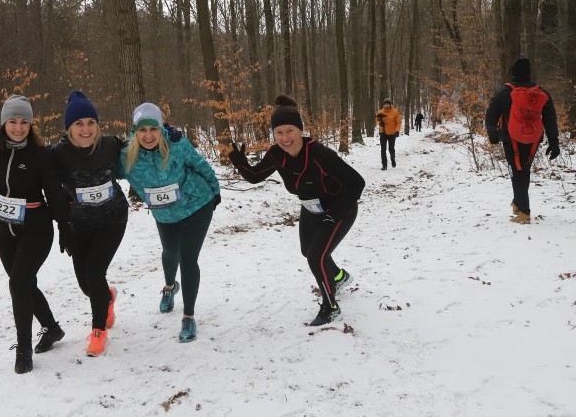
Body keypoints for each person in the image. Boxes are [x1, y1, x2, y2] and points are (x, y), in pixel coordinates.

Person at [0, 95, 69, 374]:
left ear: (31, 124)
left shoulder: (41, 154)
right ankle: (52, 329)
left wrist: (65, 227)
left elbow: (54, 194)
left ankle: (23, 349)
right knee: (24, 284)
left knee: (18, 284)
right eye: (12, 121)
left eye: (24, 122)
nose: (18, 128)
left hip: (36, 228)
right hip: (2, 228)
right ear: (4, 123)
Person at [228, 95, 365, 326]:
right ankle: (339, 277)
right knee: (308, 251)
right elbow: (255, 177)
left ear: (300, 130)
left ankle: (330, 307)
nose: (285, 138)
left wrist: (336, 214)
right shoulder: (276, 154)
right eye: (279, 132)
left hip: (340, 208)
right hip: (311, 209)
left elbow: (357, 183)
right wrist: (239, 162)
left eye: (290, 131)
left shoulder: (320, 155)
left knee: (316, 256)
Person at [119, 102, 220, 343]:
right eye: (142, 130)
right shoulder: (125, 157)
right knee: (169, 253)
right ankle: (169, 287)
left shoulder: (176, 145)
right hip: (164, 214)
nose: (148, 135)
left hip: (196, 204)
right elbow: (99, 168)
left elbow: (201, 165)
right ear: (135, 132)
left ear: (161, 128)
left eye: (153, 129)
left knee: (188, 259)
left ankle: (188, 316)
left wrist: (215, 192)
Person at [50, 91, 128, 357]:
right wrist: (63, 226)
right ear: (69, 128)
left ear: (98, 125)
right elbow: (46, 184)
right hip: (80, 225)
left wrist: (169, 135)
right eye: (79, 124)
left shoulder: (111, 145)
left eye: (91, 123)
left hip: (112, 218)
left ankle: (98, 331)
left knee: (95, 272)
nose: (86, 129)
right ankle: (107, 298)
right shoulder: (57, 154)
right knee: (87, 285)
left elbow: (145, 144)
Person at [485, 58, 559, 224]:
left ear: (513, 72)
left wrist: (493, 134)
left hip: (510, 139)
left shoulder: (504, 92)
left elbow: (490, 116)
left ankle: (524, 212)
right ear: (529, 73)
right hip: (533, 139)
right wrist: (554, 142)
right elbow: (550, 119)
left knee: (518, 172)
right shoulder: (541, 93)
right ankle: (518, 204)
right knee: (523, 171)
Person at [376, 98, 402, 169]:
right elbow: (377, 120)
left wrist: (397, 131)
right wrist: (380, 122)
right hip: (383, 132)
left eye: (388, 104)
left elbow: (399, 122)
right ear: (383, 105)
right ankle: (384, 165)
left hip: (392, 133)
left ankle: (393, 159)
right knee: (383, 149)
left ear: (390, 105)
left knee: (391, 149)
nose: (386, 105)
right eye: (385, 104)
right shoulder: (380, 111)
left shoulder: (395, 112)